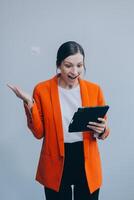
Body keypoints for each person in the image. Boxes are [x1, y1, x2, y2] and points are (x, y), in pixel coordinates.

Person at [7, 41, 110, 200]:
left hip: (86, 160)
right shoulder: (42, 90)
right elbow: (39, 133)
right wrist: (30, 103)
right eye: (68, 65)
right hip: (56, 160)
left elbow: (104, 130)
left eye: (79, 65)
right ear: (58, 65)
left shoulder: (94, 90)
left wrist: (102, 130)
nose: (74, 71)